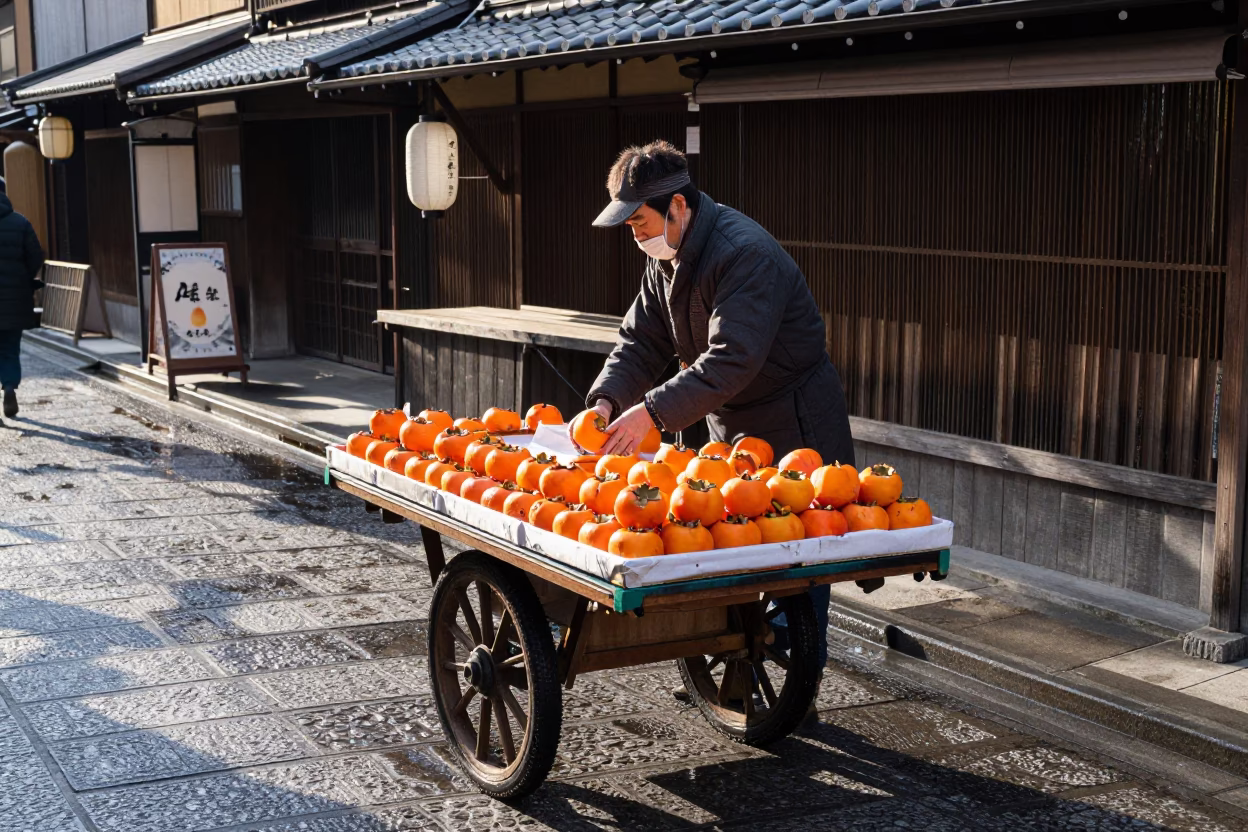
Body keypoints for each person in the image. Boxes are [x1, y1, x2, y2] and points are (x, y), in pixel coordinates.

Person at [583, 140, 854, 686]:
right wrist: (607, 399)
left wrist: (653, 413)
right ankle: (727, 673)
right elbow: (640, 341)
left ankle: (798, 688)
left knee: (793, 564)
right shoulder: (667, 257)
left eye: (640, 221)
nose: (636, 235)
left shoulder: (742, 252)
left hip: (793, 421)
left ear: (678, 207)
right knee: (723, 548)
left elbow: (733, 358)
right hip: (728, 419)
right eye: (630, 225)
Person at [0, 191, 47, 424]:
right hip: (14, 298)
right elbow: (35, 255)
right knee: (9, 347)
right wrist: (24, 277)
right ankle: (9, 386)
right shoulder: (20, 222)